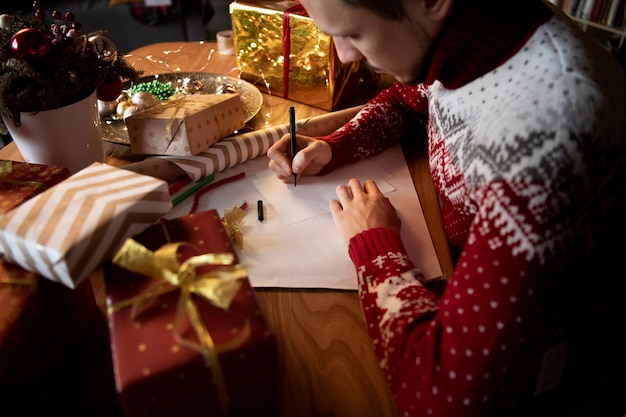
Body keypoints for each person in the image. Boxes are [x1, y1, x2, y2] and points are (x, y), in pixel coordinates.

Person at [266, 0, 626, 415]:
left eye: (352, 34)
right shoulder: (477, 31)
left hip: (546, 371)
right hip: (457, 262)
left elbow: (441, 400)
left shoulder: (551, 135)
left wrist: (375, 246)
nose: (345, 56)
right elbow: (410, 99)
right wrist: (335, 147)